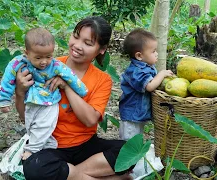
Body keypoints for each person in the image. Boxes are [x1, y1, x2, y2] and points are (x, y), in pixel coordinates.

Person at [15, 16, 132, 180]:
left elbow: (90, 120)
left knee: (129, 151)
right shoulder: (45, 67)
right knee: (35, 167)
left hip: (86, 146)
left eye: (88, 43)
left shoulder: (102, 80)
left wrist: (67, 86)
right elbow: (24, 117)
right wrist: (20, 93)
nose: (77, 46)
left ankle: (69, 174)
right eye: (76, 37)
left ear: (102, 49)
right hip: (51, 146)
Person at [0, 27, 88, 160]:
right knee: (32, 126)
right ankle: (49, 143)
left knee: (44, 125)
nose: (44, 61)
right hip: (30, 101)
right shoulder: (18, 63)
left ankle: (32, 150)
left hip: (49, 101)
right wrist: (4, 100)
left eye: (48, 56)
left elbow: (70, 77)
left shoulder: (56, 65)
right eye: (38, 57)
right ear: (26, 53)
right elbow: (7, 80)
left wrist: (82, 90)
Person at [119, 28, 174, 140]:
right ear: (139, 56)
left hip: (139, 115)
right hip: (132, 116)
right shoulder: (135, 72)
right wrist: (162, 74)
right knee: (128, 143)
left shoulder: (146, 67)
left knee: (136, 140)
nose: (156, 54)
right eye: (153, 51)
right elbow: (149, 86)